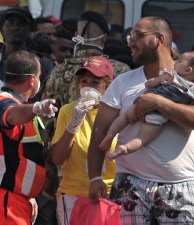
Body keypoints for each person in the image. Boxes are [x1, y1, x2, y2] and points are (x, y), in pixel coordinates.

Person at [87, 16, 194, 224]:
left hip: (181, 188)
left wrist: (158, 103)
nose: (130, 41)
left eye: (138, 35)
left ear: (159, 39)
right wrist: (94, 177)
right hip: (130, 186)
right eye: (130, 36)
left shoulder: (189, 80)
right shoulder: (122, 82)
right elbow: (100, 130)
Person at [0, 50, 58, 225]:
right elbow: (11, 115)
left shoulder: (22, 106)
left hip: (13, 201)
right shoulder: (2, 102)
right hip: (2, 200)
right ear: (32, 80)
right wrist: (37, 108)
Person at [50, 56, 116, 225]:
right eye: (83, 82)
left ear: (108, 86)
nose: (88, 87)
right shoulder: (68, 111)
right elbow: (57, 158)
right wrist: (73, 125)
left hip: (109, 197)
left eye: (95, 83)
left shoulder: (118, 113)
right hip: (73, 195)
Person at [100, 51, 194, 159]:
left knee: (125, 116)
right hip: (158, 116)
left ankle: (110, 135)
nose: (176, 62)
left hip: (145, 103)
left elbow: (148, 84)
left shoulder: (171, 75)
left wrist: (159, 79)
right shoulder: (190, 88)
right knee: (143, 138)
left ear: (188, 70)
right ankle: (126, 148)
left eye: (180, 61)